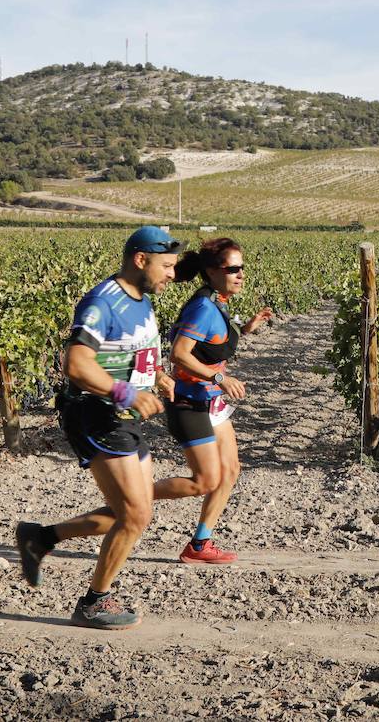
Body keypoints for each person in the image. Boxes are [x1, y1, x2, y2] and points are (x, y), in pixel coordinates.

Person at [14, 225, 182, 630]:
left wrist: (157, 375)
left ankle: (42, 537)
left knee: (131, 512)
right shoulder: (102, 303)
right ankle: (92, 603)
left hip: (122, 414)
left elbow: (136, 348)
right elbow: (76, 365)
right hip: (95, 412)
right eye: (167, 266)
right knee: (137, 514)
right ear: (140, 260)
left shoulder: (142, 300)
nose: (172, 275)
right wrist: (125, 392)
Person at [155, 237, 271, 564]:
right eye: (232, 268)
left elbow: (215, 342)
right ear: (211, 271)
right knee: (204, 481)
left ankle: (199, 544)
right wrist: (220, 377)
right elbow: (179, 354)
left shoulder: (217, 302)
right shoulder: (203, 307)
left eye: (242, 267)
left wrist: (248, 327)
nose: (240, 274)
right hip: (191, 400)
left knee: (230, 471)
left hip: (212, 403)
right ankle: (136, 496)